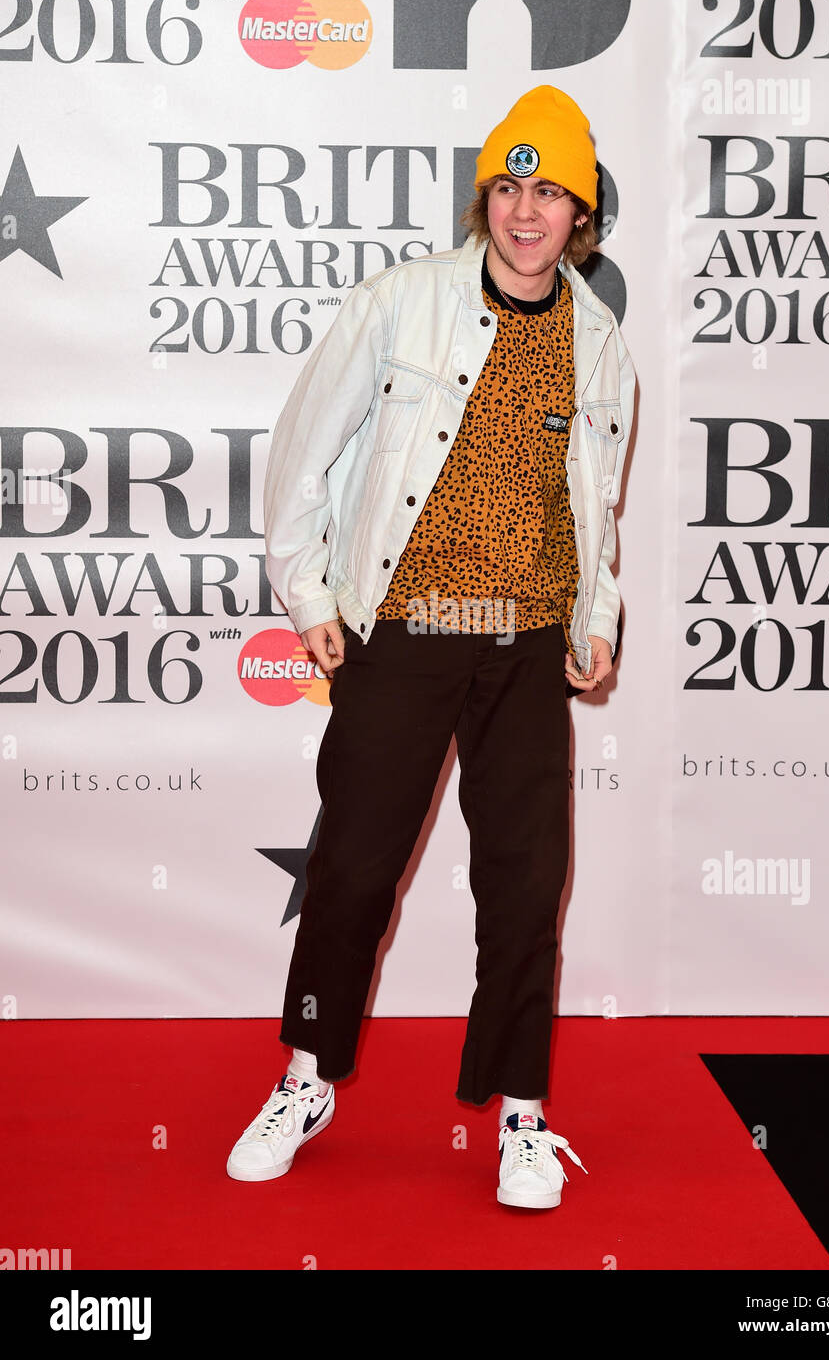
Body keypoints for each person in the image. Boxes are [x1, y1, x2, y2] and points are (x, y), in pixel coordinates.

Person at [227, 85, 637, 1210]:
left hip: (523, 652)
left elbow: (591, 511)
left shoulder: (601, 350)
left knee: (525, 885)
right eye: (506, 188)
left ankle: (519, 1113)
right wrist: (306, 587)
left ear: (578, 215)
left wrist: (591, 623)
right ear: (483, 202)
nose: (522, 211)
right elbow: (303, 446)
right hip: (400, 632)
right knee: (354, 866)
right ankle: (305, 1075)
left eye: (546, 191)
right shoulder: (401, 303)